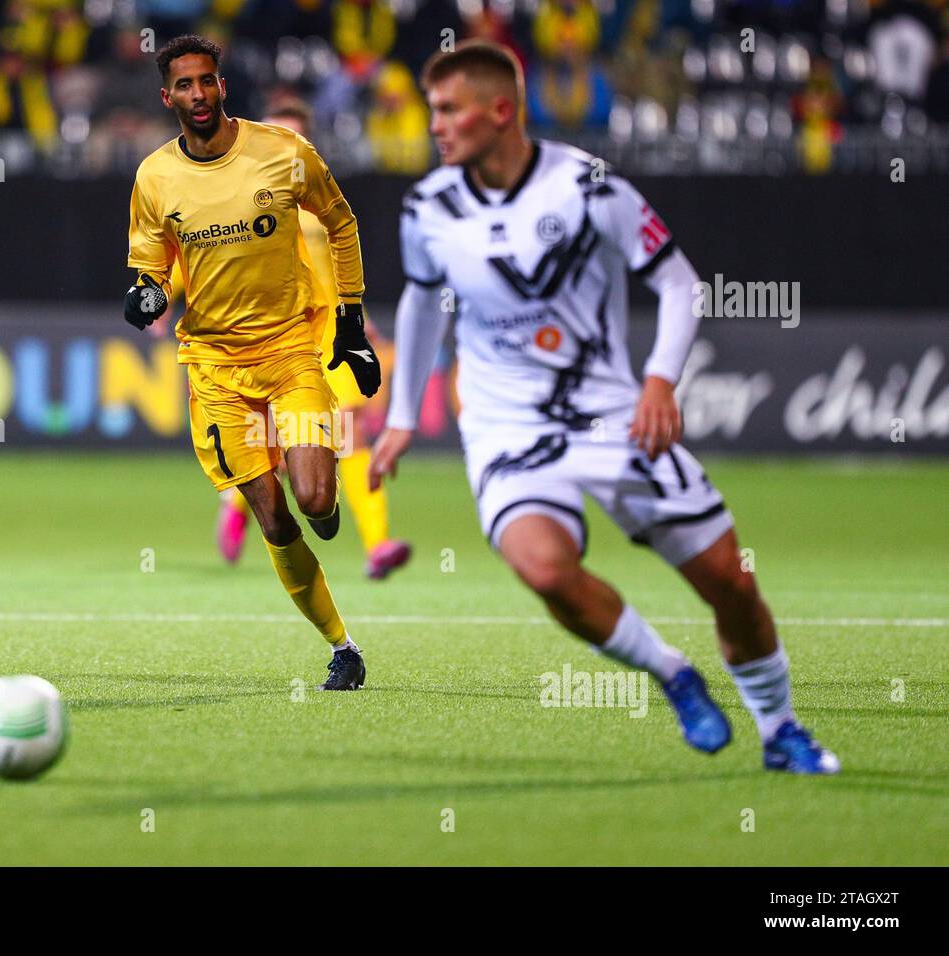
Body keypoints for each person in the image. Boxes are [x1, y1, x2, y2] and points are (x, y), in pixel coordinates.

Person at [371, 40, 839, 773]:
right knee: (544, 569)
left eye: (448, 109)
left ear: (500, 111)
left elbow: (682, 284)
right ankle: (674, 675)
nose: (435, 125)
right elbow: (424, 305)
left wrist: (659, 380)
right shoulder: (427, 207)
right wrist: (402, 414)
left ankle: (780, 729)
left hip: (611, 413)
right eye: (433, 111)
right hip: (505, 426)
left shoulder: (589, 187)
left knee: (731, 584)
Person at [124, 35, 382, 690]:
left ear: (221, 86)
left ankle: (327, 508)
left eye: (207, 81)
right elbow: (149, 269)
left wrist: (350, 320)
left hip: (291, 350)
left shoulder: (283, 153)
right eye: (184, 85)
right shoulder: (155, 177)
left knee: (318, 502)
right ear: (168, 97)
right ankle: (342, 646)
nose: (198, 94)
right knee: (273, 516)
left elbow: (343, 221)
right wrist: (145, 296)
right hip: (213, 367)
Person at [213, 97, 412, 581]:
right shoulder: (234, 200)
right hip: (268, 339)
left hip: (324, 340)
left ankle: (378, 544)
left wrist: (356, 318)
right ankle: (240, 506)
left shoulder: (319, 201)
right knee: (274, 445)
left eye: (295, 137)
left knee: (350, 428)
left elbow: (341, 262)